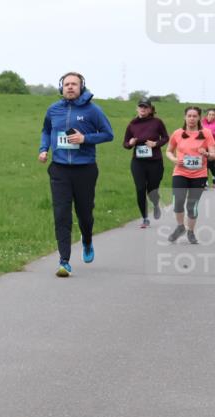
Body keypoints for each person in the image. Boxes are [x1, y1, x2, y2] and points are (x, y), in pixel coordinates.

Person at [38, 72, 114, 277]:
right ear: (61, 87)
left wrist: (84, 138)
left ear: (82, 87)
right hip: (60, 169)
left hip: (85, 169)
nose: (70, 87)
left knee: (85, 214)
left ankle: (87, 240)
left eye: (74, 84)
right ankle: (64, 261)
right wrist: (43, 149)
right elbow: (46, 130)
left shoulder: (93, 110)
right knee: (61, 214)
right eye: (67, 84)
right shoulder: (53, 110)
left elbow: (108, 134)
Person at [165, 106, 215, 244]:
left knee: (192, 206)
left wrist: (207, 154)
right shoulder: (177, 133)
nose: (192, 118)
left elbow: (213, 154)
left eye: (194, 116)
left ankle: (191, 232)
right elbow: (168, 151)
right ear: (185, 117)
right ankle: (180, 227)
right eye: (189, 116)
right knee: (178, 202)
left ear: (199, 117)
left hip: (199, 174)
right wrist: (174, 159)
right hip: (180, 172)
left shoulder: (206, 133)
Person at [122, 98, 168, 228]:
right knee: (140, 188)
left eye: (145, 107)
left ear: (150, 110)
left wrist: (156, 143)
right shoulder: (132, 124)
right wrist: (130, 143)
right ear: (137, 109)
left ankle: (155, 203)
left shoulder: (157, 122)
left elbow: (165, 137)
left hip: (155, 162)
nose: (143, 109)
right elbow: (125, 143)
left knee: (152, 190)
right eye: (140, 107)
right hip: (138, 162)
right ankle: (145, 218)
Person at [203, 108, 215, 186]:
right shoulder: (202, 123)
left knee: (212, 164)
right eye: (209, 114)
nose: (211, 116)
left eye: (213, 115)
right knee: (204, 164)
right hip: (204, 146)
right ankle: (205, 181)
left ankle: (214, 179)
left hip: (213, 146)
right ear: (207, 115)